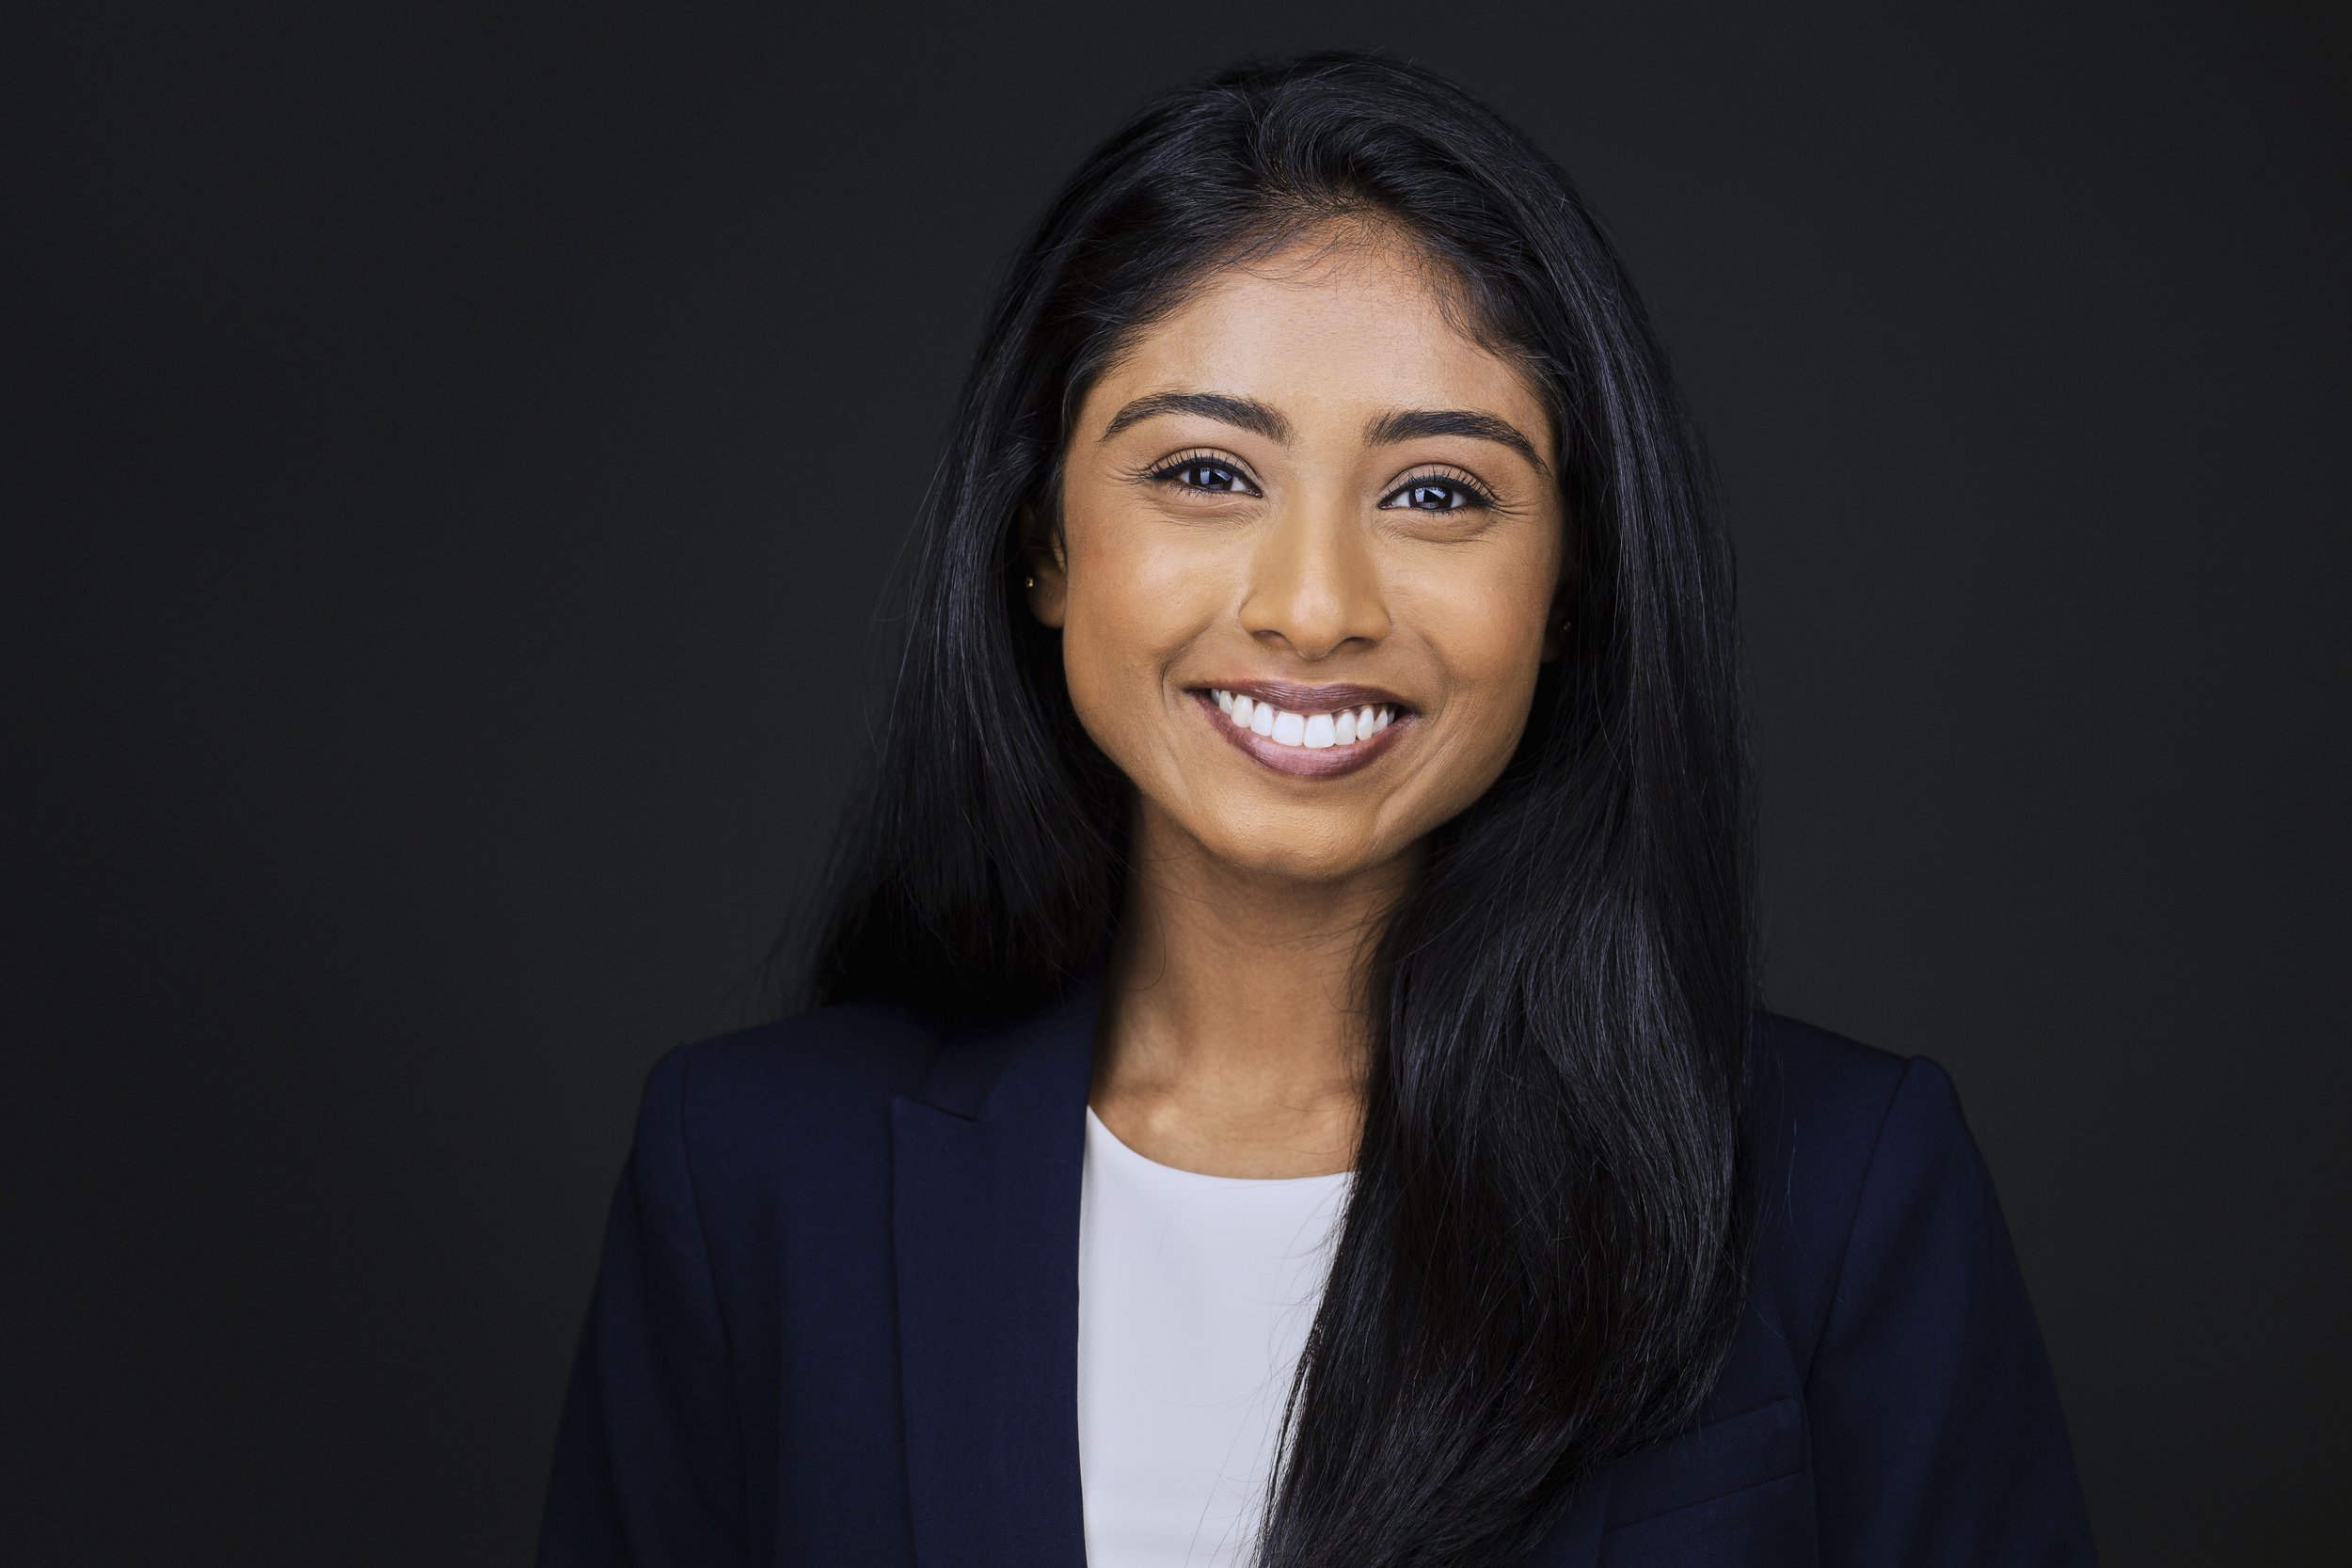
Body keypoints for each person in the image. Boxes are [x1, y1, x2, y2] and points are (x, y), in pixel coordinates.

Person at [533, 49, 2097, 1568]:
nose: (1313, 605)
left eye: (1437, 492)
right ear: (1044, 550)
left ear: (1566, 591)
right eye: (1207, 473)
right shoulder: (754, 1174)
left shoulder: (1844, 1188)